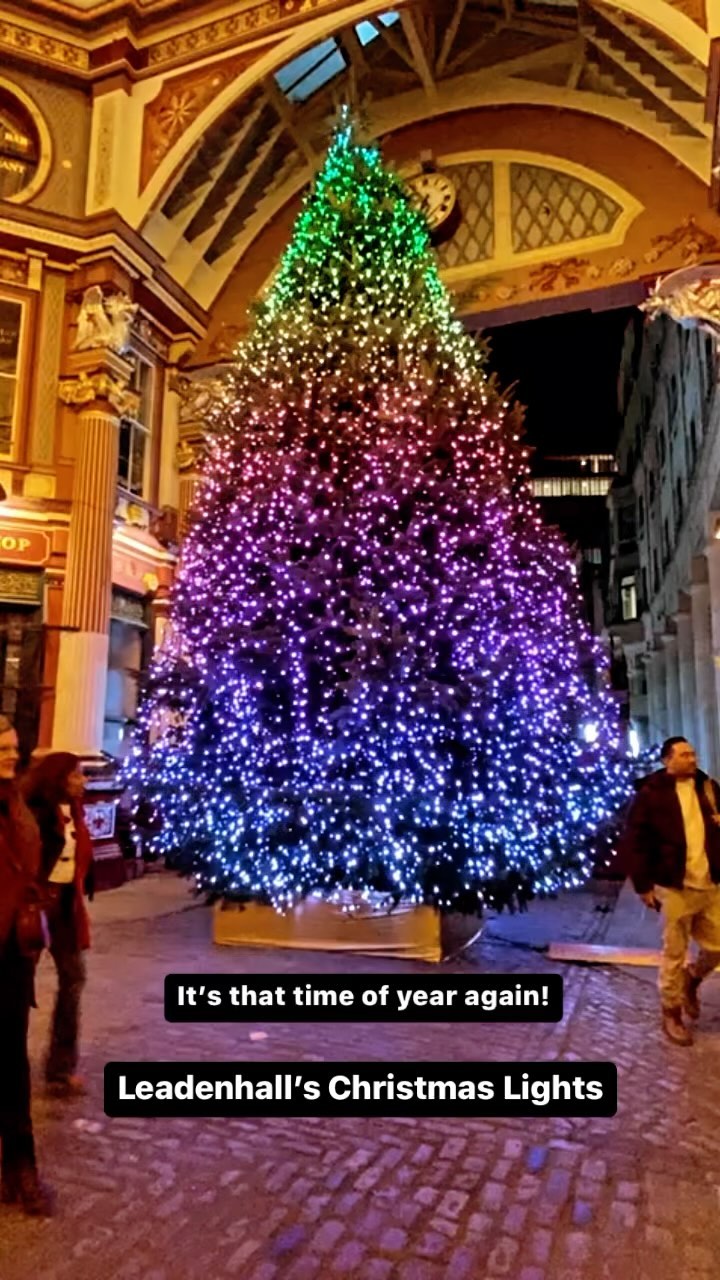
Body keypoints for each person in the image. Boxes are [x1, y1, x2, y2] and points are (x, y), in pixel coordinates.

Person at [621, 736, 720, 1046]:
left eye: (693, 754)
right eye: (683, 755)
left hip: (710, 882)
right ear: (667, 760)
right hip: (673, 885)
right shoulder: (651, 794)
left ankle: (692, 980)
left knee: (717, 945)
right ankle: (671, 1012)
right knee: (674, 952)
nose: (691, 759)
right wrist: (643, 885)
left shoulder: (708, 788)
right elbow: (636, 841)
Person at [0, 716, 53, 1215]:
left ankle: (22, 1169)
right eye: (2, 747)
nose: (11, 755)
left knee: (13, 1065)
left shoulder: (19, 803)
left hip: (12, 957)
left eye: (14, 746)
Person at [24, 752, 93, 1097]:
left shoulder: (76, 813)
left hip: (65, 906)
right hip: (35, 905)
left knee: (74, 978)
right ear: (60, 778)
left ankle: (60, 1067)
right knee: (18, 985)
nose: (84, 781)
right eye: (78, 775)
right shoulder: (35, 814)